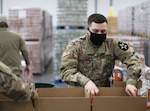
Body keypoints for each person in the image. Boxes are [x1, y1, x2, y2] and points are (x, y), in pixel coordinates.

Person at [60, 13, 142, 97]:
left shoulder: (112, 44)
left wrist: (131, 82)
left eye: (103, 31)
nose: (99, 34)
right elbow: (66, 71)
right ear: (87, 30)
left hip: (102, 93)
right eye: (95, 31)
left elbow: (133, 59)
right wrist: (86, 82)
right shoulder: (75, 46)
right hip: (78, 93)